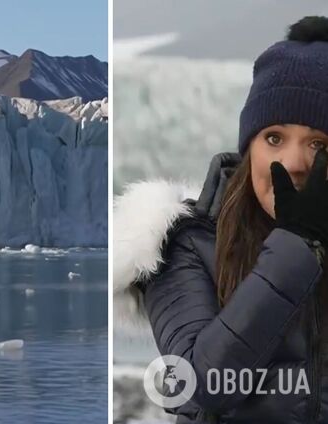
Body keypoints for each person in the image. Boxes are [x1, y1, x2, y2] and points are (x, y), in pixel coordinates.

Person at [114, 16, 328, 423]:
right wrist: (297, 247)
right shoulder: (186, 246)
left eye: (318, 142)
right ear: (249, 148)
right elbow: (197, 386)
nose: (295, 163)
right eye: (274, 138)